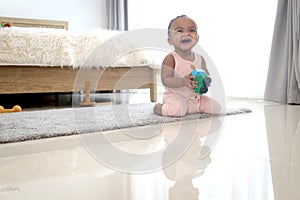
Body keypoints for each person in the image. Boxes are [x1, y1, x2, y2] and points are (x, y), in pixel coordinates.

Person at [153, 15, 221, 117]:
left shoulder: (200, 58)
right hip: (176, 97)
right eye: (179, 31)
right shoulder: (171, 58)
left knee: (216, 108)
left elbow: (207, 75)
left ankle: (193, 109)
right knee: (178, 110)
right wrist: (183, 81)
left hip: (195, 99)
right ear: (170, 40)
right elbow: (165, 80)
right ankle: (159, 107)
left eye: (192, 30)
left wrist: (206, 81)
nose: (186, 34)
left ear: (197, 38)